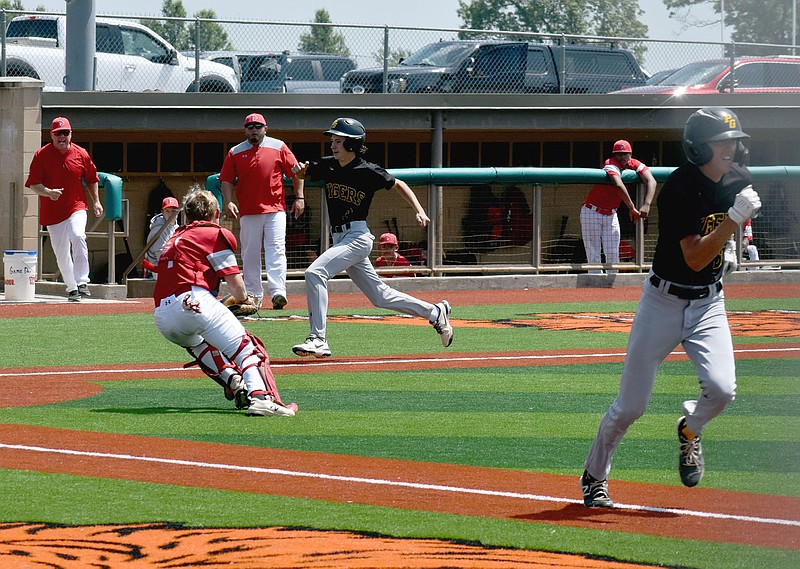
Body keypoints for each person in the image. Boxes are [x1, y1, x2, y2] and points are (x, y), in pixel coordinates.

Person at [580, 107, 761, 508]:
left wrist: (733, 240)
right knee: (630, 407)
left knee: (722, 390)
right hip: (662, 301)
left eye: (733, 141)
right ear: (698, 148)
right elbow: (694, 256)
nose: (730, 148)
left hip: (710, 302)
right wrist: (733, 220)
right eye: (721, 142)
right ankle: (594, 475)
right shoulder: (680, 186)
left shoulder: (738, 180)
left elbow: (718, 248)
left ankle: (690, 429)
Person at [290, 117, 453, 358]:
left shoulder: (367, 169)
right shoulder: (328, 165)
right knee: (379, 296)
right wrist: (300, 181)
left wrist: (419, 209)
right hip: (341, 238)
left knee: (315, 273)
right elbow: (302, 173)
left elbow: (399, 184)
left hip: (357, 237)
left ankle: (318, 339)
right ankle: (434, 312)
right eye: (332, 140)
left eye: (338, 141)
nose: (333, 145)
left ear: (352, 144)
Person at [153, 186, 297, 417]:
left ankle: (233, 381)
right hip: (194, 301)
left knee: (200, 345)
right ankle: (260, 398)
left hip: (163, 315)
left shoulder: (174, 238)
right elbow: (237, 288)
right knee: (249, 349)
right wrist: (244, 299)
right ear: (215, 213)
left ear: (187, 215)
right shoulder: (212, 234)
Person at [220, 112, 305, 311]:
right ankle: (253, 295)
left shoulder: (278, 146)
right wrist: (228, 202)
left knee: (276, 249)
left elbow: (297, 172)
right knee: (250, 253)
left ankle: (278, 292)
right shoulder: (235, 151)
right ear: (245, 130)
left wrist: (300, 197)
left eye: (258, 127)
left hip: (275, 209)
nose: (254, 130)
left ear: (265, 128)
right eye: (250, 127)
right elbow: (226, 179)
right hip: (249, 211)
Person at [26, 117, 103, 302]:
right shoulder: (41, 155)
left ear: (71, 134)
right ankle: (72, 288)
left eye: (65, 132)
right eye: (58, 133)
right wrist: (47, 192)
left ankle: (82, 281)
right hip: (53, 212)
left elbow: (92, 179)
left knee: (78, 235)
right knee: (61, 252)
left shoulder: (81, 153)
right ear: (51, 135)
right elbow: (33, 184)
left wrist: (96, 202)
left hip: (76, 206)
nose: (62, 136)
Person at [580, 140, 657, 274]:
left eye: (625, 154)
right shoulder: (610, 163)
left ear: (630, 154)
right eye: (618, 154)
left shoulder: (634, 163)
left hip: (610, 213)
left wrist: (647, 204)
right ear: (614, 155)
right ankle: (594, 289)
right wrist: (632, 207)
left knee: (613, 253)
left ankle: (612, 287)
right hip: (591, 211)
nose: (622, 157)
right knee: (593, 254)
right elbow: (618, 185)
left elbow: (651, 180)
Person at [142, 196, 180, 278]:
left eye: (173, 211)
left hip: (169, 268)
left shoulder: (176, 227)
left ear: (177, 212)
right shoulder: (159, 230)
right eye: (167, 211)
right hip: (157, 271)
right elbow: (162, 257)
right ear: (162, 212)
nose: (170, 214)